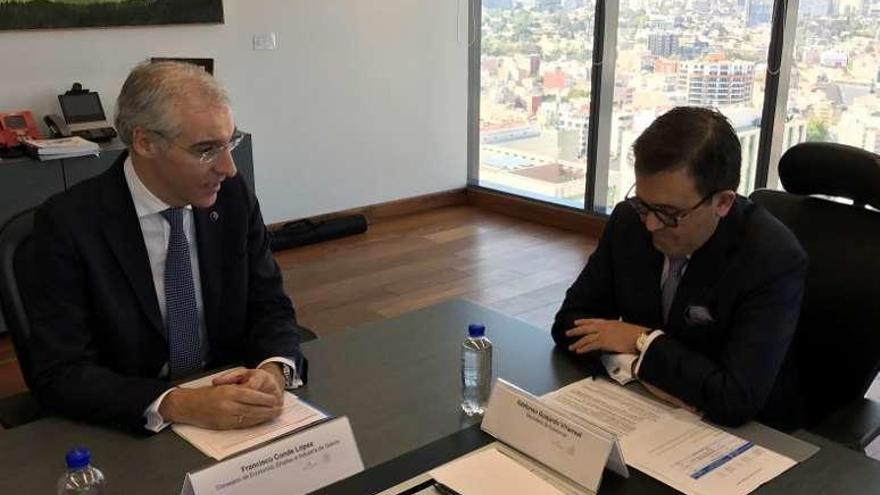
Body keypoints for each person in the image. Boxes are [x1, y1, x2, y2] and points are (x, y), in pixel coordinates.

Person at [29, 61, 308, 433]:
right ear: (145, 142)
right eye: (207, 150)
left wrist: (272, 368)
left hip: (234, 408)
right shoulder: (69, 224)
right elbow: (60, 372)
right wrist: (178, 403)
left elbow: (269, 303)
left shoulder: (232, 199)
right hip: (132, 426)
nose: (229, 168)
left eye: (230, 142)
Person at [552, 107, 807, 430]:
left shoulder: (771, 257)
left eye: (669, 213)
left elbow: (734, 398)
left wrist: (640, 341)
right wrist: (639, 368)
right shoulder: (629, 221)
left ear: (723, 202)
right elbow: (569, 324)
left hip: (750, 438)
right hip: (644, 412)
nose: (650, 224)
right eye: (643, 203)